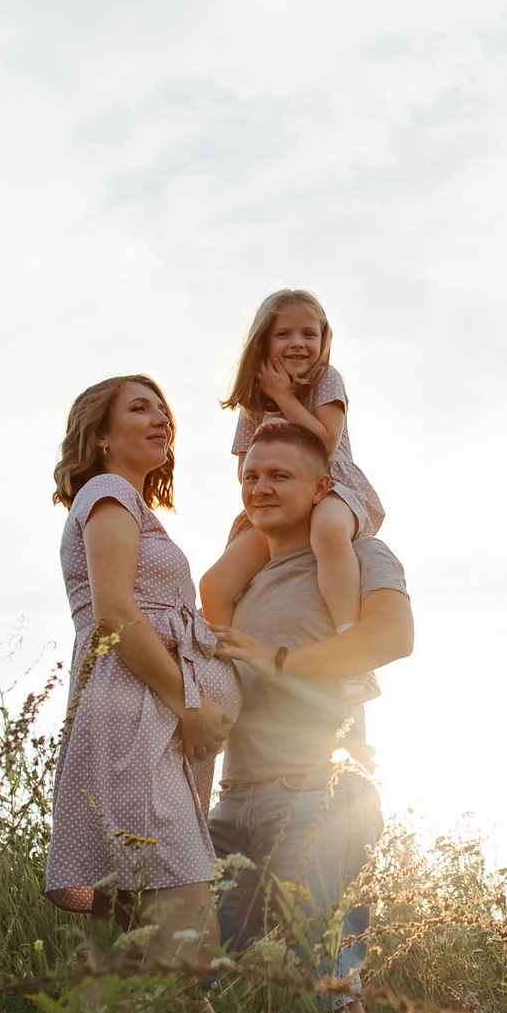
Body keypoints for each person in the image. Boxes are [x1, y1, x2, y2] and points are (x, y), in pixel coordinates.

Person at [207, 419, 414, 1013]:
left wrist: (279, 661)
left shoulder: (361, 553)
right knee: (209, 973)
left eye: (279, 475)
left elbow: (391, 636)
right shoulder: (245, 576)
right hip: (233, 800)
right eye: (250, 476)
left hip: (321, 795)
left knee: (324, 980)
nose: (260, 486)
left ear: (322, 487)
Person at [45, 375, 240, 982]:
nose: (161, 419)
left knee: (137, 954)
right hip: (139, 720)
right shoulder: (109, 493)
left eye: (163, 410)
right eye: (139, 408)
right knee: (185, 944)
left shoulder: (131, 505)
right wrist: (191, 704)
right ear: (101, 437)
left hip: (143, 719)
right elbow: (117, 612)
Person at [199, 289, 386, 703]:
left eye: (309, 333)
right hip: (280, 504)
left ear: (323, 340)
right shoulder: (254, 398)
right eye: (284, 334)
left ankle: (352, 653)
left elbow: (326, 441)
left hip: (331, 490)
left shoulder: (325, 380)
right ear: (264, 341)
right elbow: (244, 468)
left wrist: (285, 397)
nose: (298, 343)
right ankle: (232, 673)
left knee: (328, 534)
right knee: (214, 583)